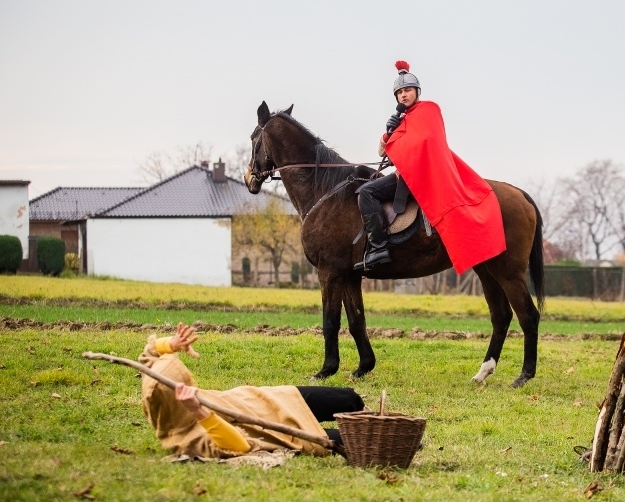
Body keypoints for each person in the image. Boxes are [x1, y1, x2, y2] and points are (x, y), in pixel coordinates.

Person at [354, 60, 507, 274]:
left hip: (421, 175)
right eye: (399, 93)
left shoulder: (428, 110)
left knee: (367, 192)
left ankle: (378, 248)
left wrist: (402, 143)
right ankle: (377, 246)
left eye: (407, 90)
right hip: (403, 173)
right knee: (365, 190)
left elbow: (426, 140)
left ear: (417, 92)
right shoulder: (402, 120)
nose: (403, 95)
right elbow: (383, 152)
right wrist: (388, 134)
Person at [139, 323, 365, 458]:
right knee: (357, 439)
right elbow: (239, 447)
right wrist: (200, 413)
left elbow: (149, 353)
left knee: (348, 398)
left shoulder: (154, 377)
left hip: (271, 399)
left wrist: (171, 344)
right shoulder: (184, 438)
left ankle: (375, 418)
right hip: (279, 431)